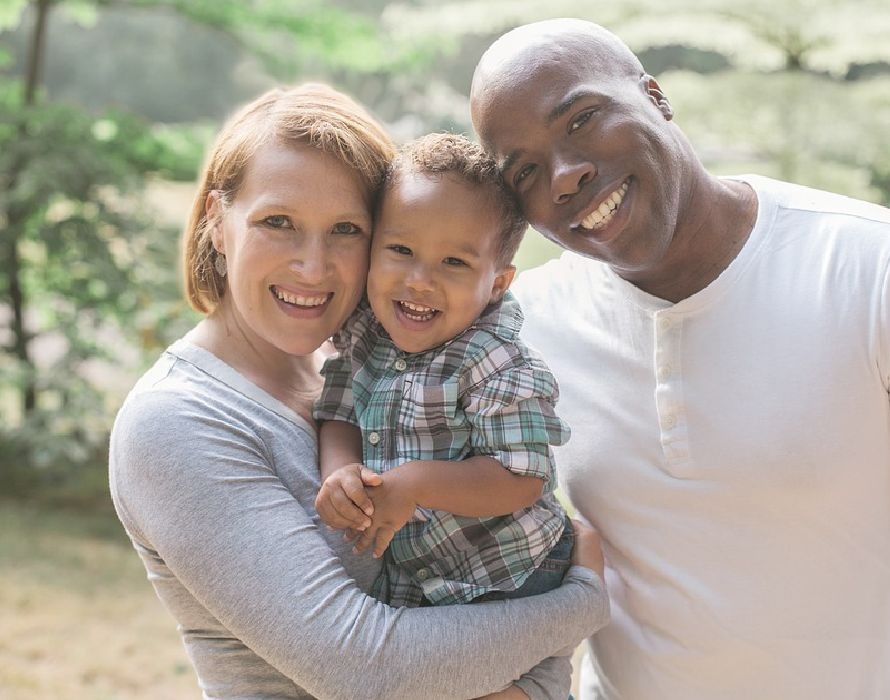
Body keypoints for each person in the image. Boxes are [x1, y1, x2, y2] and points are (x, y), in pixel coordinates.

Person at [469, 18, 890, 700]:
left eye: (582, 119)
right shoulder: (528, 331)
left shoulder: (881, 267)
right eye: (524, 170)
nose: (566, 174)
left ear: (655, 96)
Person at [108, 83, 609, 700]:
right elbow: (367, 670)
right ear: (217, 221)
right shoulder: (177, 422)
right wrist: (581, 605)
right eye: (278, 222)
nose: (313, 267)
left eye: (346, 229)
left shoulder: (367, 364)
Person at [314, 133, 574, 614]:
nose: (420, 280)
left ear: (496, 283)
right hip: (423, 580)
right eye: (401, 250)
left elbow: (521, 478)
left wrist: (415, 484)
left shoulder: (496, 360)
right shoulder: (366, 334)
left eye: (454, 261)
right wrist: (340, 471)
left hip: (511, 572)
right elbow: (340, 412)